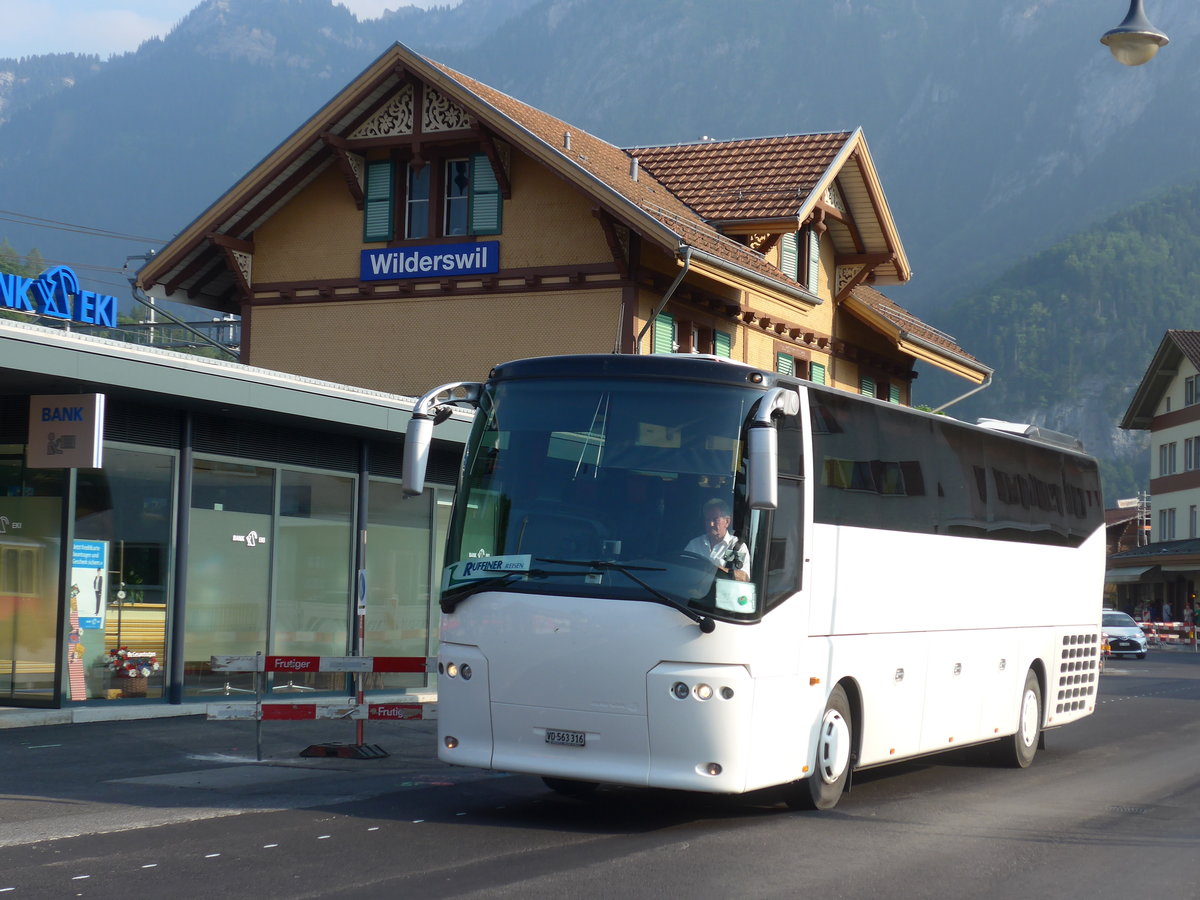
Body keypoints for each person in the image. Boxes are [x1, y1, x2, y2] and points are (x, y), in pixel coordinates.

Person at [684, 498, 749, 582]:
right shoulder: (695, 544)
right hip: (693, 592)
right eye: (708, 520)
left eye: (715, 519)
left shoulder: (735, 547)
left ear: (727, 521)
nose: (711, 524)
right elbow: (683, 570)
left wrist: (714, 569)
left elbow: (743, 577)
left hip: (722, 593)